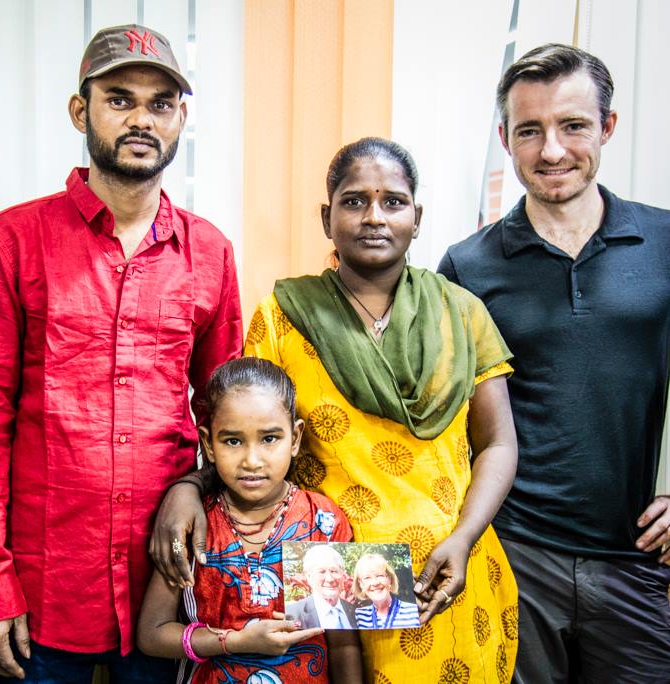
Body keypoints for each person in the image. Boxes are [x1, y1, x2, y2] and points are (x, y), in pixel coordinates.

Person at [154, 137, 520, 682]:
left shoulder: (462, 313)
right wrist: (187, 487)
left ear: (417, 218)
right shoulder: (283, 315)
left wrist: (463, 538)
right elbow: (246, 429)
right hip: (326, 571)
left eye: (393, 202)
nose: (374, 216)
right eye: (354, 202)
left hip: (447, 572)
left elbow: (499, 442)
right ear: (327, 218)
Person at [0, 23, 242, 682]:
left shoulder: (210, 253)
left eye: (160, 103)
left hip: (166, 584)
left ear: (181, 119)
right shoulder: (10, 241)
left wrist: (196, 486)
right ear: (81, 110)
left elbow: (228, 419)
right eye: (120, 99)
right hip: (41, 589)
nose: (141, 118)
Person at [438, 43, 670, 682]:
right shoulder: (467, 266)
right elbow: (446, 419)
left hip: (638, 556)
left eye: (573, 126)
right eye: (529, 131)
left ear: (608, 127)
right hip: (515, 554)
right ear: (506, 138)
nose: (551, 151)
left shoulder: (665, 242)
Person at [137, 358, 363, 683]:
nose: (252, 460)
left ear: (296, 438)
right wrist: (236, 641)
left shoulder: (322, 522)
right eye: (232, 441)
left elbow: (343, 644)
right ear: (208, 444)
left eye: (270, 438)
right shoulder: (193, 524)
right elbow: (153, 634)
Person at [286, 545, 358, 630]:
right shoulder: (291, 614)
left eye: (334, 571)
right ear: (308, 576)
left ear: (342, 574)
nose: (330, 579)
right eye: (321, 572)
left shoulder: (356, 612)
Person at [352, 554, 420, 630]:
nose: (375, 583)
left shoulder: (413, 611)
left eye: (380, 575)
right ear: (360, 583)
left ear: (390, 579)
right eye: (367, 578)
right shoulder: (359, 615)